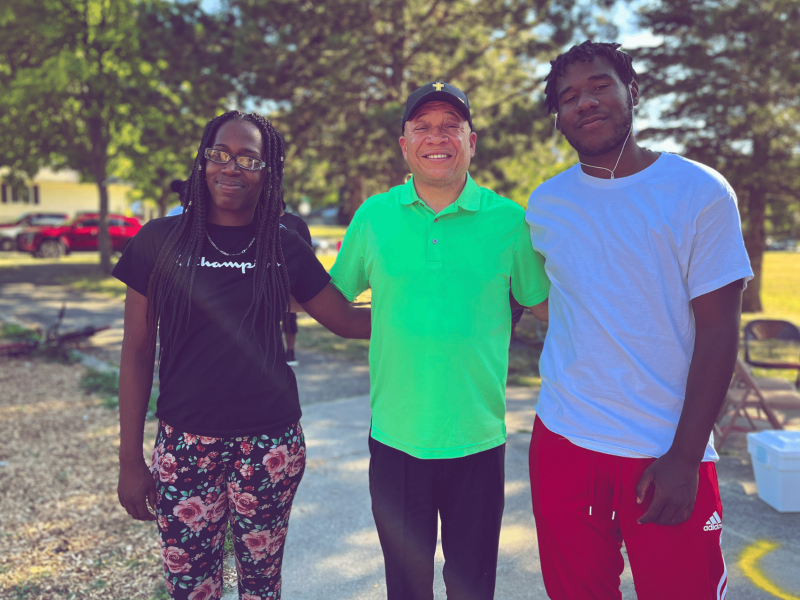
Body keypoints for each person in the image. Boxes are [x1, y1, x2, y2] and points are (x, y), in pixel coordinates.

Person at [525, 41, 753, 599]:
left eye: (600, 85)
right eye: (569, 96)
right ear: (558, 116)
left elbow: (720, 331)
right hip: (564, 440)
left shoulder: (699, 191)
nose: (586, 102)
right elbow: (542, 298)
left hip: (666, 450)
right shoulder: (545, 205)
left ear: (634, 91)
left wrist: (684, 454)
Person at [114, 111, 370, 600]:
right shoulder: (157, 241)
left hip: (269, 446)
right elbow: (137, 351)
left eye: (249, 158)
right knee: (191, 588)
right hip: (184, 444)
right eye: (220, 154)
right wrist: (130, 461)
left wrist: (448, 312)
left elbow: (349, 321)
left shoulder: (284, 245)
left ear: (268, 171)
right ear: (202, 161)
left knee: (260, 587)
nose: (232, 167)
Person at [330, 82, 550, 600]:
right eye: (422, 127)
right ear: (403, 144)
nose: (437, 137)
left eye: (450, 125)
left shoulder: (509, 221)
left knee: (472, 587)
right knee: (406, 589)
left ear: (472, 141)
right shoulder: (374, 216)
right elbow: (332, 298)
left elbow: (550, 310)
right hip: (395, 440)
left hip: (477, 440)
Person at [279, 202, 313, 366]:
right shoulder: (261, 220)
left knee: (289, 317)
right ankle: (273, 353)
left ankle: (290, 353)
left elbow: (307, 249)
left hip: (291, 277)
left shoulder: (296, 223)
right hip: (268, 276)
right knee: (268, 319)